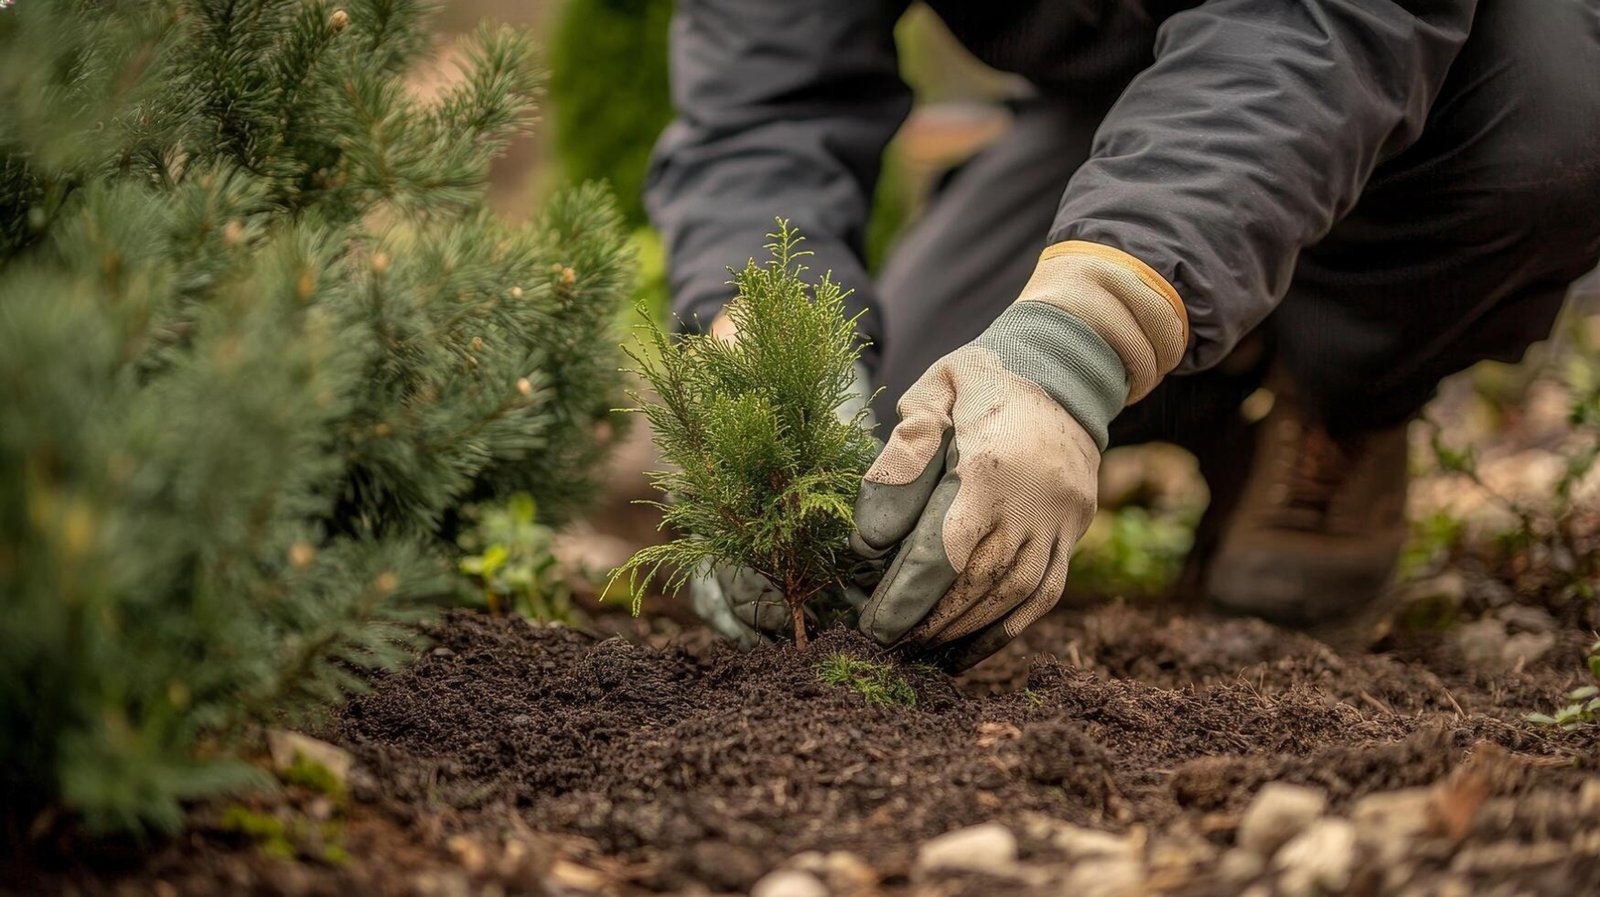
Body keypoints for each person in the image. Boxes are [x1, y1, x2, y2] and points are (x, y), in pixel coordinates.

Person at [644, 0, 1600, 670]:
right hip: (1117, 112)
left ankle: (1345, 394)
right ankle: (1236, 364)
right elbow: (765, 102)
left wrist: (1080, 337)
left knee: (1556, 134)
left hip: (1427, 65)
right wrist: (762, 348)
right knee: (912, 445)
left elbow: (1312, 26)